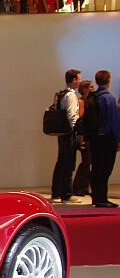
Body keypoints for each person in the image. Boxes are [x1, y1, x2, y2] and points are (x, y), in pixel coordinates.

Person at [85, 70, 120, 207]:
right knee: (105, 169)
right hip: (107, 138)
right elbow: (114, 121)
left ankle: (96, 197)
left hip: (95, 138)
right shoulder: (109, 99)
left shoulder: (93, 96)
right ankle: (102, 198)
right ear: (108, 81)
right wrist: (118, 139)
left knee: (96, 168)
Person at [50, 69, 81, 203]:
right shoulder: (71, 96)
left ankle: (56, 191)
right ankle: (66, 193)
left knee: (61, 161)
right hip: (69, 133)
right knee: (68, 163)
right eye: (79, 79)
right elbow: (72, 115)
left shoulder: (61, 94)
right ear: (74, 80)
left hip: (61, 133)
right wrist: (77, 130)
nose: (79, 81)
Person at [72, 80, 94, 196]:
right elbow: (81, 119)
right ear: (85, 89)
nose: (93, 88)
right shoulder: (81, 102)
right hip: (84, 136)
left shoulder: (88, 101)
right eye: (91, 86)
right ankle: (78, 187)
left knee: (88, 161)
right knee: (86, 161)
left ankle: (84, 187)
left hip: (88, 135)